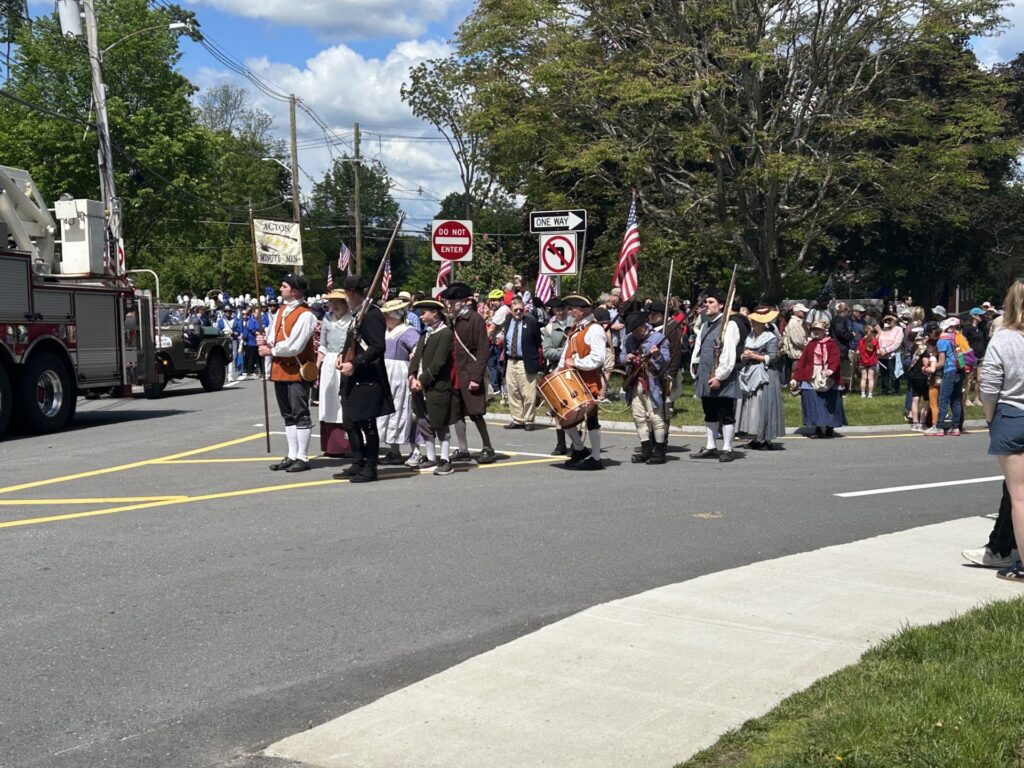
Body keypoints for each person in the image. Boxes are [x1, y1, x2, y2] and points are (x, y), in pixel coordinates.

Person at [332, 274, 395, 483]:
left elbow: (378, 347)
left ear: (351, 293)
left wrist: (355, 363)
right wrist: (342, 357)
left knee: (367, 424)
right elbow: (353, 342)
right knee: (351, 423)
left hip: (367, 377)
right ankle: (358, 462)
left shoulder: (372, 314)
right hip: (353, 376)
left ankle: (370, 467)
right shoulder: (358, 314)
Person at [980, 281, 1024, 581]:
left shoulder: (1004, 338)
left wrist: (989, 417)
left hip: (1012, 414)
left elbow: (990, 384)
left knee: (1019, 497)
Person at [257, 274, 317, 472]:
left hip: (297, 370)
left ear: (295, 291)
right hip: (280, 369)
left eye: (284, 286)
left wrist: (271, 351)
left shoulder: (306, 315)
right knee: (287, 415)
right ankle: (292, 455)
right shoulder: (281, 311)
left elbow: (295, 345)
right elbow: (274, 335)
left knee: (300, 414)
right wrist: (264, 341)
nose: (280, 289)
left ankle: (303, 457)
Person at [442, 283, 497, 462]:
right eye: (448, 302)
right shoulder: (452, 320)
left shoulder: (475, 319)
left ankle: (488, 447)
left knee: (476, 413)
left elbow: (482, 351)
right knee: (457, 412)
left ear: (464, 302)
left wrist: (475, 377)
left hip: (469, 373)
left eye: (453, 302)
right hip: (455, 372)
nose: (449, 306)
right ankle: (463, 449)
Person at [689, 289, 743, 462]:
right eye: (706, 302)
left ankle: (727, 448)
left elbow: (729, 354)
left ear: (721, 305)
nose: (707, 305)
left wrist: (720, 376)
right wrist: (695, 367)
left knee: (726, 413)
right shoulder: (705, 324)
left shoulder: (729, 325)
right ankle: (711, 446)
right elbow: (698, 349)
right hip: (705, 374)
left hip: (722, 377)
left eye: (711, 302)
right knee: (709, 412)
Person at [408, 299, 457, 476]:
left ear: (435, 312)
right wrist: (411, 375)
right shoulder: (425, 333)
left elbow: (439, 362)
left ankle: (445, 459)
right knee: (423, 421)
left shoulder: (445, 334)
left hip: (437, 386)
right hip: (419, 385)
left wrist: (422, 379)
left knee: (440, 423)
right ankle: (430, 457)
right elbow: (416, 357)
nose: (421, 316)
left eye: (424, 313)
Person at [559, 295, 606, 470]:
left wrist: (577, 363)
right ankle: (579, 448)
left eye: (573, 308)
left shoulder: (594, 330)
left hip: (588, 381)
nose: (571, 311)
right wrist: (559, 370)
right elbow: (566, 355)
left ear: (584, 310)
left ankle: (596, 458)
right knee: (564, 416)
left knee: (592, 420)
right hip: (572, 381)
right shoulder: (576, 329)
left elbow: (598, 359)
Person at [376, 298, 420, 465]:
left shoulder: (408, 331)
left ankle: (415, 450)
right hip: (385, 374)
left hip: (401, 375)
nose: (385, 318)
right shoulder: (384, 332)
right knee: (388, 412)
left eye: (387, 315)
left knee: (404, 411)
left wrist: (414, 371)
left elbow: (417, 351)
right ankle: (394, 451)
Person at [621, 312, 668, 464]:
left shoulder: (658, 338)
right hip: (635, 382)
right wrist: (626, 358)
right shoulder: (630, 340)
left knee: (656, 417)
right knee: (639, 417)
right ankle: (646, 450)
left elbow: (665, 362)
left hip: (652, 382)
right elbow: (621, 356)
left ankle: (659, 451)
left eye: (636, 329)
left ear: (643, 326)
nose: (634, 333)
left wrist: (657, 355)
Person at [737, 307, 785, 450]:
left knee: (764, 404)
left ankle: (766, 439)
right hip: (750, 374)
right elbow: (744, 352)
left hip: (765, 375)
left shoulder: (770, 337)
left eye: (755, 321)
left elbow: (774, 358)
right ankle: (755, 437)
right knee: (751, 406)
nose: (752, 322)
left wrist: (755, 356)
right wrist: (744, 356)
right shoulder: (750, 336)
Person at [790, 319, 846, 439]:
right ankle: (818, 428)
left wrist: (830, 369)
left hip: (828, 375)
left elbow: (835, 358)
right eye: (814, 330)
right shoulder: (810, 345)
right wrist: (796, 378)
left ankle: (830, 427)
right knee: (813, 402)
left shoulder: (832, 344)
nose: (815, 332)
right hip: (812, 374)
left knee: (831, 402)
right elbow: (802, 362)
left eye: (818, 330)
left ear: (824, 331)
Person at [316, 290, 354, 458]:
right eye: (332, 302)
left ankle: (347, 445)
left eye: (338, 301)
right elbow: (322, 345)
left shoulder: (352, 320)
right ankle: (331, 445)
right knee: (328, 401)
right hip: (329, 363)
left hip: (345, 360)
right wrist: (317, 365)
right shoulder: (327, 320)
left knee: (343, 402)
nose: (335, 305)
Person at [497, 296, 545, 430]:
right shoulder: (508, 321)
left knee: (528, 393)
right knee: (513, 391)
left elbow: (537, 342)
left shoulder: (531, 322)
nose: (518, 312)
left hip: (526, 361)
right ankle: (518, 419)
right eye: (515, 310)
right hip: (511, 361)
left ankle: (528, 420)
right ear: (511, 311)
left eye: (521, 309)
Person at [541, 297, 572, 455]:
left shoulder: (576, 324)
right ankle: (561, 443)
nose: (560, 313)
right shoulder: (549, 328)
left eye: (562, 309)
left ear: (567, 308)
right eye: (556, 310)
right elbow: (547, 351)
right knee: (558, 408)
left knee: (574, 406)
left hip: (574, 370)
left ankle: (576, 442)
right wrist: (565, 353)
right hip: (556, 371)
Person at [927, 317, 964, 436]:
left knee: (943, 400)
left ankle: (939, 427)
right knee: (956, 400)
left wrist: (931, 367)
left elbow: (941, 362)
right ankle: (955, 427)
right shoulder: (957, 338)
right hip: (960, 370)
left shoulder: (942, 340)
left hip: (950, 371)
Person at [963, 307, 989, 406]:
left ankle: (977, 398)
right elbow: (964, 342)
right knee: (969, 378)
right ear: (974, 316)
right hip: (971, 357)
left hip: (981, 355)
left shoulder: (981, 328)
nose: (982, 317)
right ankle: (966, 399)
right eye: (980, 315)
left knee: (980, 378)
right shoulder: (967, 328)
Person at [781, 303, 809, 384]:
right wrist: (809, 345)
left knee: (798, 372)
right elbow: (798, 341)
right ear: (796, 312)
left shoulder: (797, 322)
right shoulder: (795, 323)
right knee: (797, 372)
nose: (805, 313)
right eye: (802, 311)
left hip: (799, 352)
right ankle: (795, 389)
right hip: (798, 353)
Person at [877, 314, 904, 396]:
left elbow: (897, 343)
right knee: (884, 373)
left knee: (893, 373)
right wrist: (880, 349)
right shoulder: (884, 329)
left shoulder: (899, 329)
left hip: (892, 355)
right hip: (882, 355)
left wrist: (886, 350)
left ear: (895, 320)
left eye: (890, 320)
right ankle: (884, 390)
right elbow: (879, 339)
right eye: (887, 320)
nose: (888, 322)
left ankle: (895, 390)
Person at [857, 324, 880, 398]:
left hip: (862, 362)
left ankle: (863, 394)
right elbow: (878, 352)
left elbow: (858, 352)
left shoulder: (861, 341)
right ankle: (870, 394)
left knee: (863, 378)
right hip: (872, 362)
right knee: (871, 378)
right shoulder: (875, 341)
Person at [240, 307, 261, 379]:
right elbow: (251, 328)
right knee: (251, 357)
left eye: (259, 312)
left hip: (257, 341)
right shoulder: (251, 320)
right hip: (251, 341)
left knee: (256, 357)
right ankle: (250, 372)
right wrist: (256, 332)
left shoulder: (257, 320)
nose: (258, 314)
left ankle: (256, 371)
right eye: (257, 312)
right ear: (253, 313)